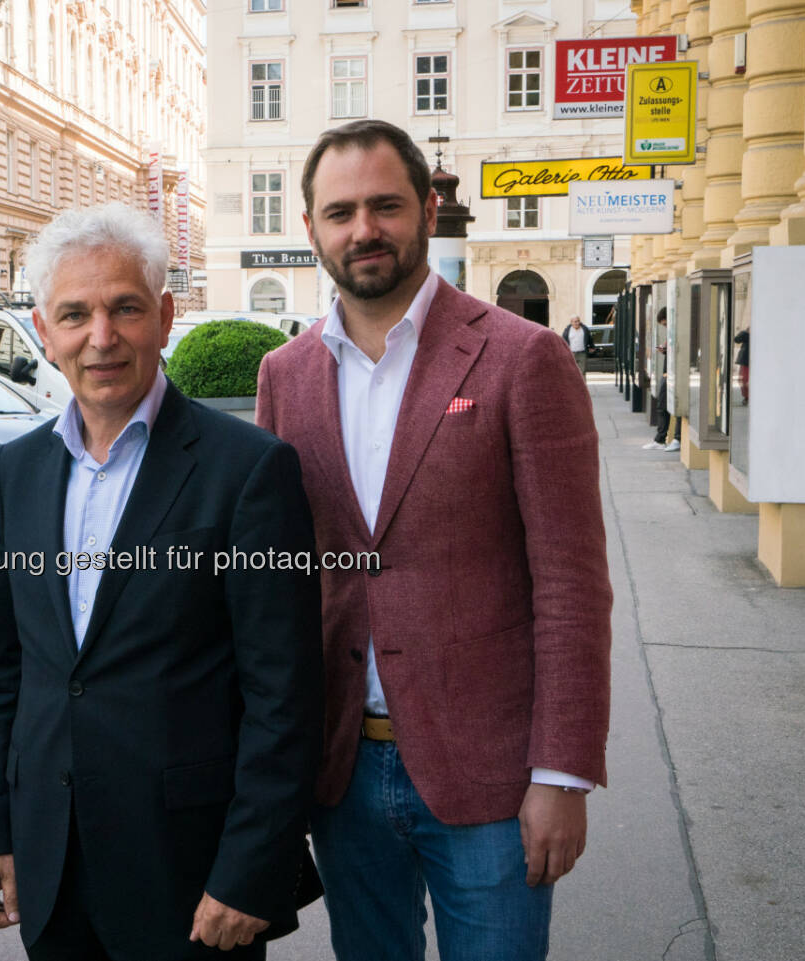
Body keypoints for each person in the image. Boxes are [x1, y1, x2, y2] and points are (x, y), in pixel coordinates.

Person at [255, 119, 612, 961]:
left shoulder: (521, 360)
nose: (363, 229)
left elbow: (570, 583)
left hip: (490, 775)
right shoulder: (285, 375)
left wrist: (562, 773)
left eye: (385, 205)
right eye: (339, 212)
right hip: (343, 771)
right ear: (310, 228)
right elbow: (278, 586)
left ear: (426, 208)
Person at [0, 203, 323, 961]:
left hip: (190, 878)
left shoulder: (247, 469)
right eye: (75, 314)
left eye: (125, 307)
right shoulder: (18, 472)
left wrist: (251, 871)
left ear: (163, 315)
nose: (102, 337)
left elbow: (284, 694)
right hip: (52, 867)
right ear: (43, 328)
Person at [645, 308, 681, 451]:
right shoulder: (672, 331)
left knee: (676, 406)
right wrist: (665, 349)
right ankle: (661, 439)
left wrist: (666, 349)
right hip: (668, 372)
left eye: (665, 324)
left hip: (675, 373)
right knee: (661, 405)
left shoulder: (679, 328)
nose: (665, 326)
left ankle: (675, 438)